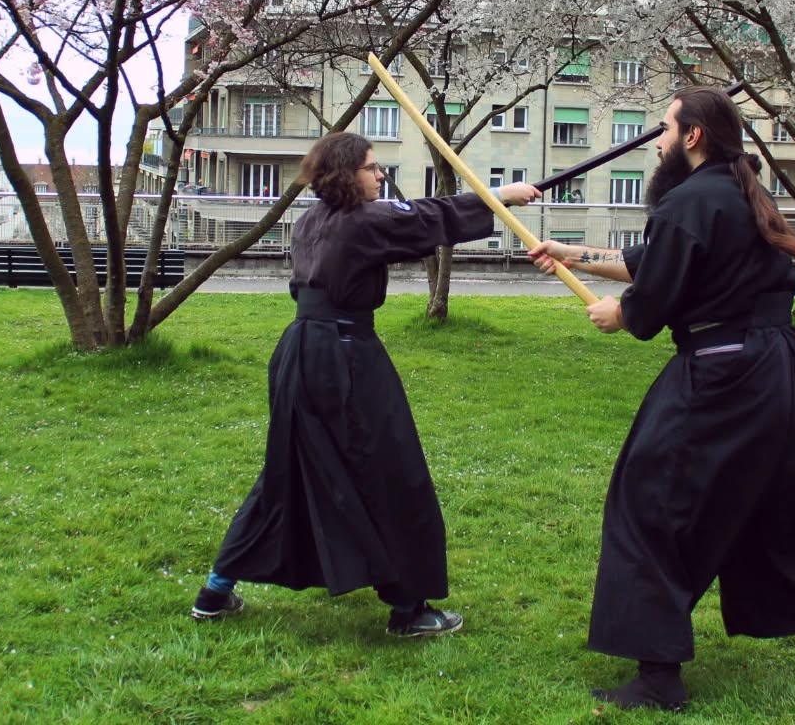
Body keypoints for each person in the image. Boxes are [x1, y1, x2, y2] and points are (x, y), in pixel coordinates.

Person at [529, 87, 795, 712]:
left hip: (722, 375)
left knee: (648, 502)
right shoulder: (742, 193)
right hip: (780, 373)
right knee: (789, 514)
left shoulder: (687, 201)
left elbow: (652, 299)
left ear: (692, 137)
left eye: (662, 128)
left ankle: (658, 677)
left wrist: (620, 315)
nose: (655, 141)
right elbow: (662, 261)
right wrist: (572, 254)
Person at [191, 131, 540, 636]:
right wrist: (501, 197)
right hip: (345, 357)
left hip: (299, 354)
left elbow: (415, 214)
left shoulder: (310, 220)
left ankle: (215, 590)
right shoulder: (364, 221)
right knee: (392, 474)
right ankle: (410, 610)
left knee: (286, 472)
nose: (380, 176)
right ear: (345, 174)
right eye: (372, 168)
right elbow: (426, 218)